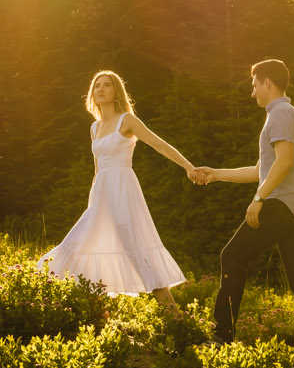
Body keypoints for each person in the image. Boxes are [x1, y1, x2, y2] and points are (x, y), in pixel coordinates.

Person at [189, 59, 294, 362]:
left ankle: (221, 337)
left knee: (231, 256)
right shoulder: (283, 114)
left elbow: (284, 161)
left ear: (268, 82)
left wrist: (259, 199)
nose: (252, 92)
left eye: (255, 85)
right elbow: (262, 169)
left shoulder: (280, 114)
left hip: (282, 205)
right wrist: (216, 173)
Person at [40, 69, 196, 312]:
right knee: (83, 243)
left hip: (123, 194)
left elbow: (159, 145)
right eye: (97, 85)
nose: (100, 89)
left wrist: (188, 166)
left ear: (116, 92)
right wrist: (93, 203)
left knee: (137, 250)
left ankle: (176, 319)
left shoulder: (127, 121)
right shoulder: (94, 128)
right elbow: (97, 169)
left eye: (106, 85)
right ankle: (89, 314)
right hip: (101, 198)